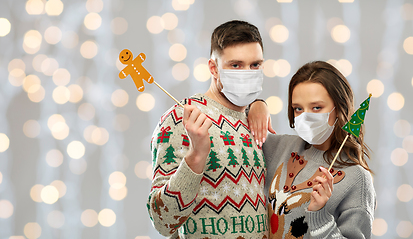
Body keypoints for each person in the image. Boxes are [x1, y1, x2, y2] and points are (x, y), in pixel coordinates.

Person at [147, 20, 270, 238]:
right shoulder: (180, 118)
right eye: (235, 65)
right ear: (213, 68)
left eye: (255, 65)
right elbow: (162, 222)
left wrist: (259, 104)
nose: (247, 73)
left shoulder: (253, 119)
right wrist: (196, 156)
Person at [248, 61, 376, 238]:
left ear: (339, 109)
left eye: (317, 107)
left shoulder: (357, 179)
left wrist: (319, 215)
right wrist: (257, 105)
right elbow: (232, 123)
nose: (305, 117)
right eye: (298, 109)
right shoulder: (277, 147)